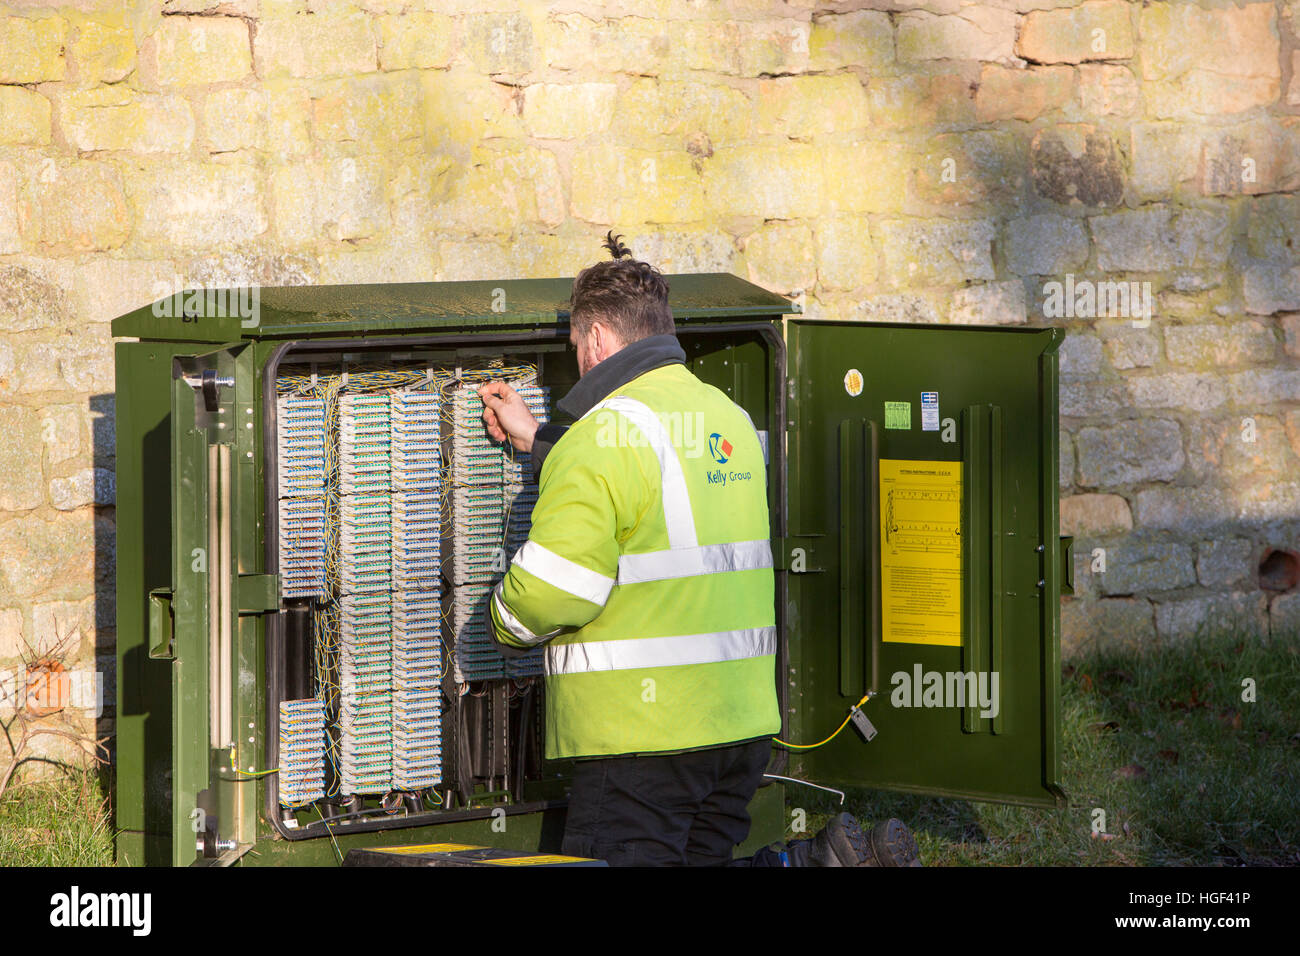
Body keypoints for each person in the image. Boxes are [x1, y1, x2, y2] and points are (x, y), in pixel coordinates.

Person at [478, 233, 919, 867]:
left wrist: (495, 624)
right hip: (736, 726)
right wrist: (544, 441)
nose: (578, 362)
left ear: (597, 340)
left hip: (643, 738)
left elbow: (552, 593)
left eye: (576, 348)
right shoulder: (726, 417)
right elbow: (660, 498)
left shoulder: (601, 436)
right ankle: (814, 862)